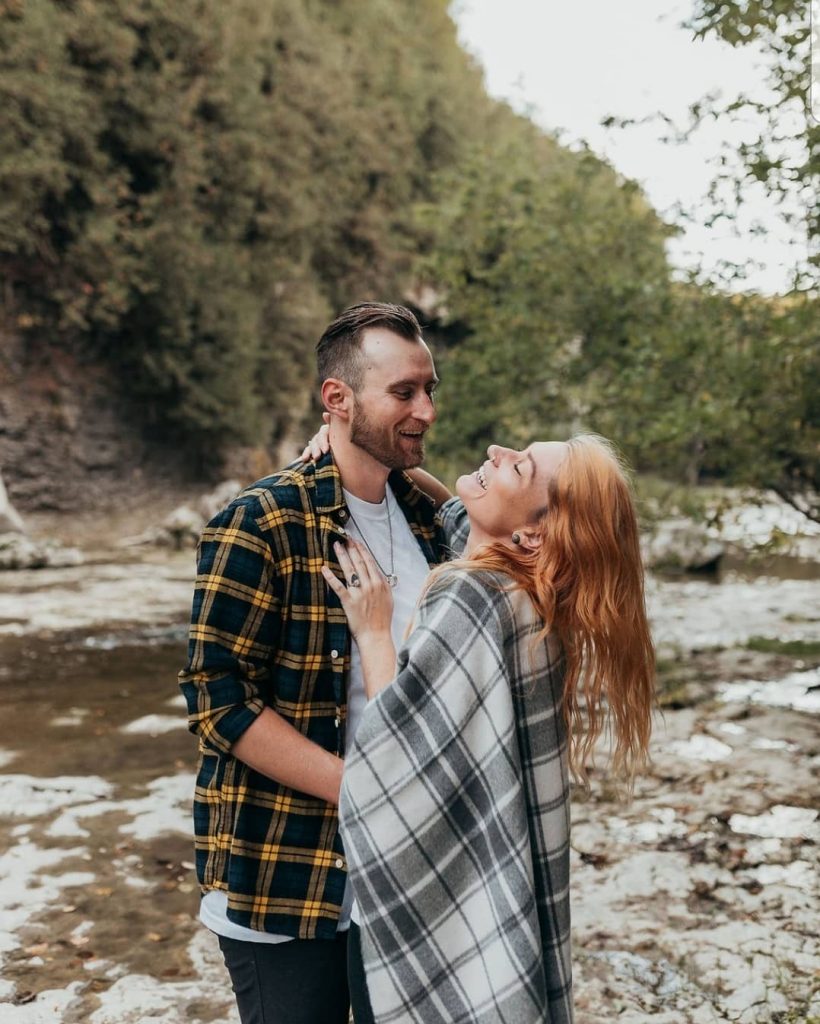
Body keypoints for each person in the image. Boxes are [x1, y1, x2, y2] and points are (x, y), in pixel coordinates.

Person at [178, 302, 457, 1024]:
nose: (426, 409)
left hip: (405, 876)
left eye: (429, 390)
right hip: (285, 876)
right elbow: (217, 700)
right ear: (337, 398)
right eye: (403, 392)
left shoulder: (430, 525)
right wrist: (364, 791)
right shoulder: (260, 521)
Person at [322, 435, 655, 1024]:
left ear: (533, 535)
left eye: (518, 466)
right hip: (493, 918)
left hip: (440, 922)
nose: (498, 450)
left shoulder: (470, 597)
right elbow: (464, 519)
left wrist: (373, 630)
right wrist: (373, 456)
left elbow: (398, 751)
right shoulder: (530, 596)